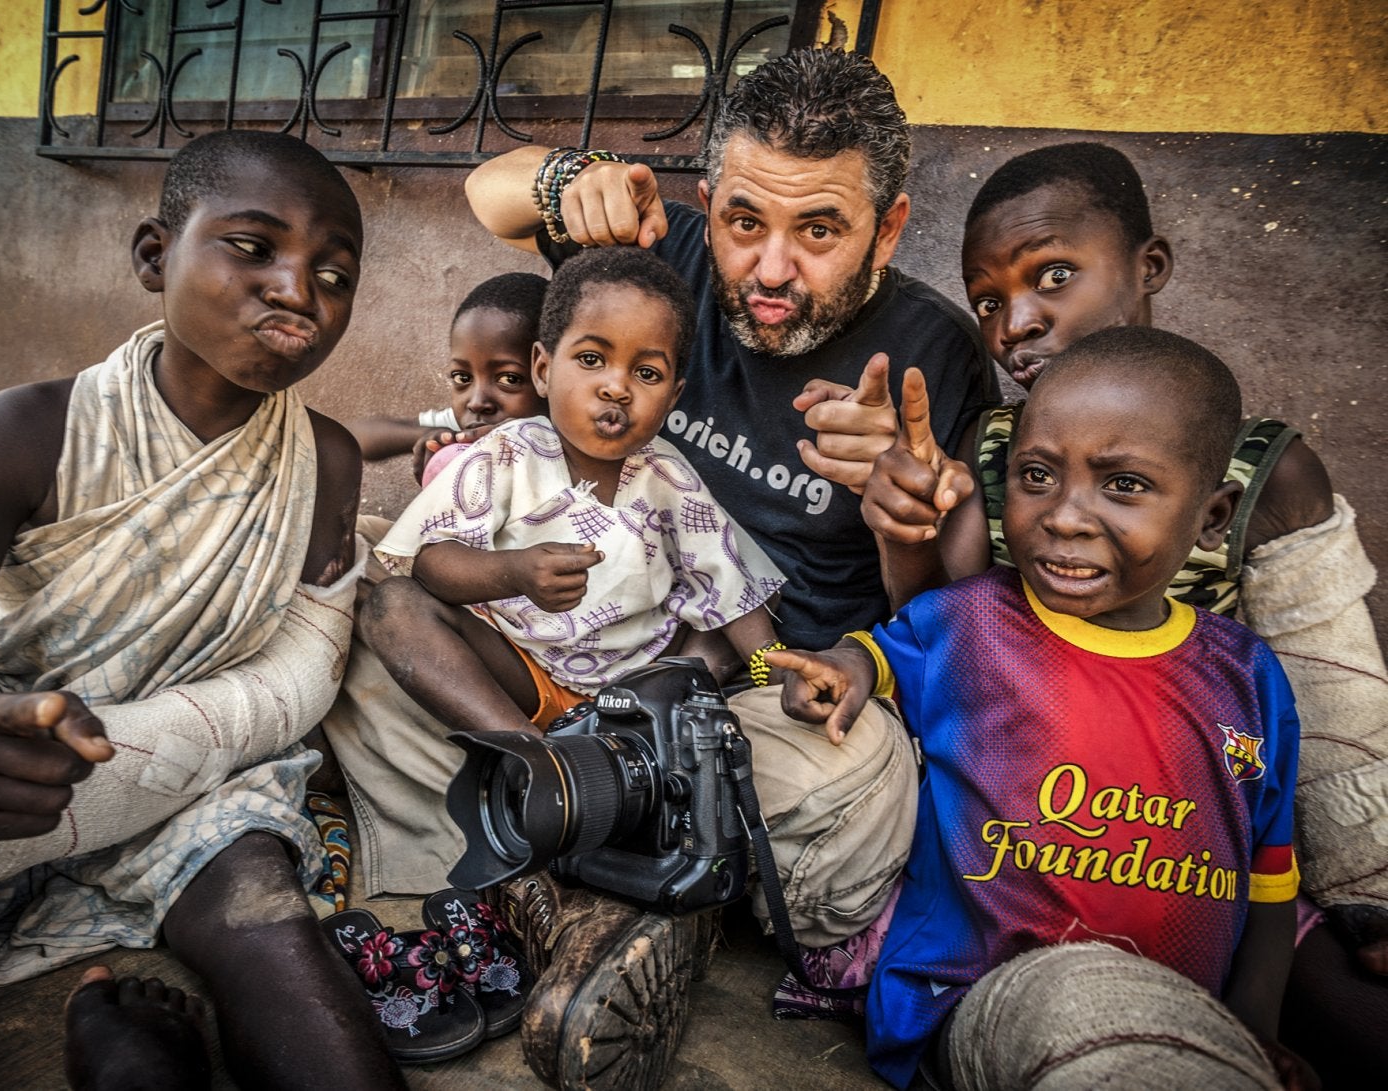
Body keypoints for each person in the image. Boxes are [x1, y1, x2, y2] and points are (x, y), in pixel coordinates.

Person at [323, 47, 995, 1086]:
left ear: (888, 226)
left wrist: (901, 516)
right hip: (543, 678)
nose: (770, 269)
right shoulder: (658, 257)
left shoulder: (931, 352)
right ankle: (615, 866)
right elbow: (489, 191)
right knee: (355, 628)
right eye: (743, 222)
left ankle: (564, 871)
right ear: (707, 201)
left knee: (859, 773)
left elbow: (938, 615)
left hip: (739, 695)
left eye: (818, 231)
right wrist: (564, 181)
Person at [865, 142, 1387, 1083]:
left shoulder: (1265, 468)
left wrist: (1368, 887)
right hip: (1024, 831)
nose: (1016, 323)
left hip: (1206, 839)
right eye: (989, 300)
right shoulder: (995, 452)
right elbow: (940, 638)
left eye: (1052, 275)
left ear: (1149, 267)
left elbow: (1338, 711)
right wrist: (905, 529)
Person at [772, 327, 1314, 1089]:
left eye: (1123, 484)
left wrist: (1255, 1029)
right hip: (969, 1000)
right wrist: (842, 667)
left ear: (1213, 516)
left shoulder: (1248, 675)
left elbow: (1269, 880)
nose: (1064, 515)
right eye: (1037, 475)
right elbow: (883, 652)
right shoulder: (976, 619)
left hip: (1185, 1018)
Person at [0, 130, 404, 1089]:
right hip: (11, 779)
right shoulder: (30, 432)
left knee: (273, 927)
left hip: (200, 784)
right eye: (254, 248)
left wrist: (145, 763)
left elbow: (300, 677)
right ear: (153, 256)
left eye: (334, 274)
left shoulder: (326, 460)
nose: (299, 291)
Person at [363, 246, 785, 735]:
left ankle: (635, 739)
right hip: (518, 674)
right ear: (543, 369)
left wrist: (773, 670)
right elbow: (431, 563)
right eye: (591, 359)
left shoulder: (669, 478)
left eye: (646, 373)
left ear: (672, 396)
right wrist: (513, 573)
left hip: (636, 693)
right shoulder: (507, 453)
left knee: (730, 622)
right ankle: (536, 759)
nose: (616, 388)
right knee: (393, 607)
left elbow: (730, 586)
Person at [348, 271, 549, 482]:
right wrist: (429, 435)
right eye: (462, 378)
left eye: (509, 379)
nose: (477, 402)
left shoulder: (574, 443)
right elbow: (353, 435)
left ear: (548, 373)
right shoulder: (466, 427)